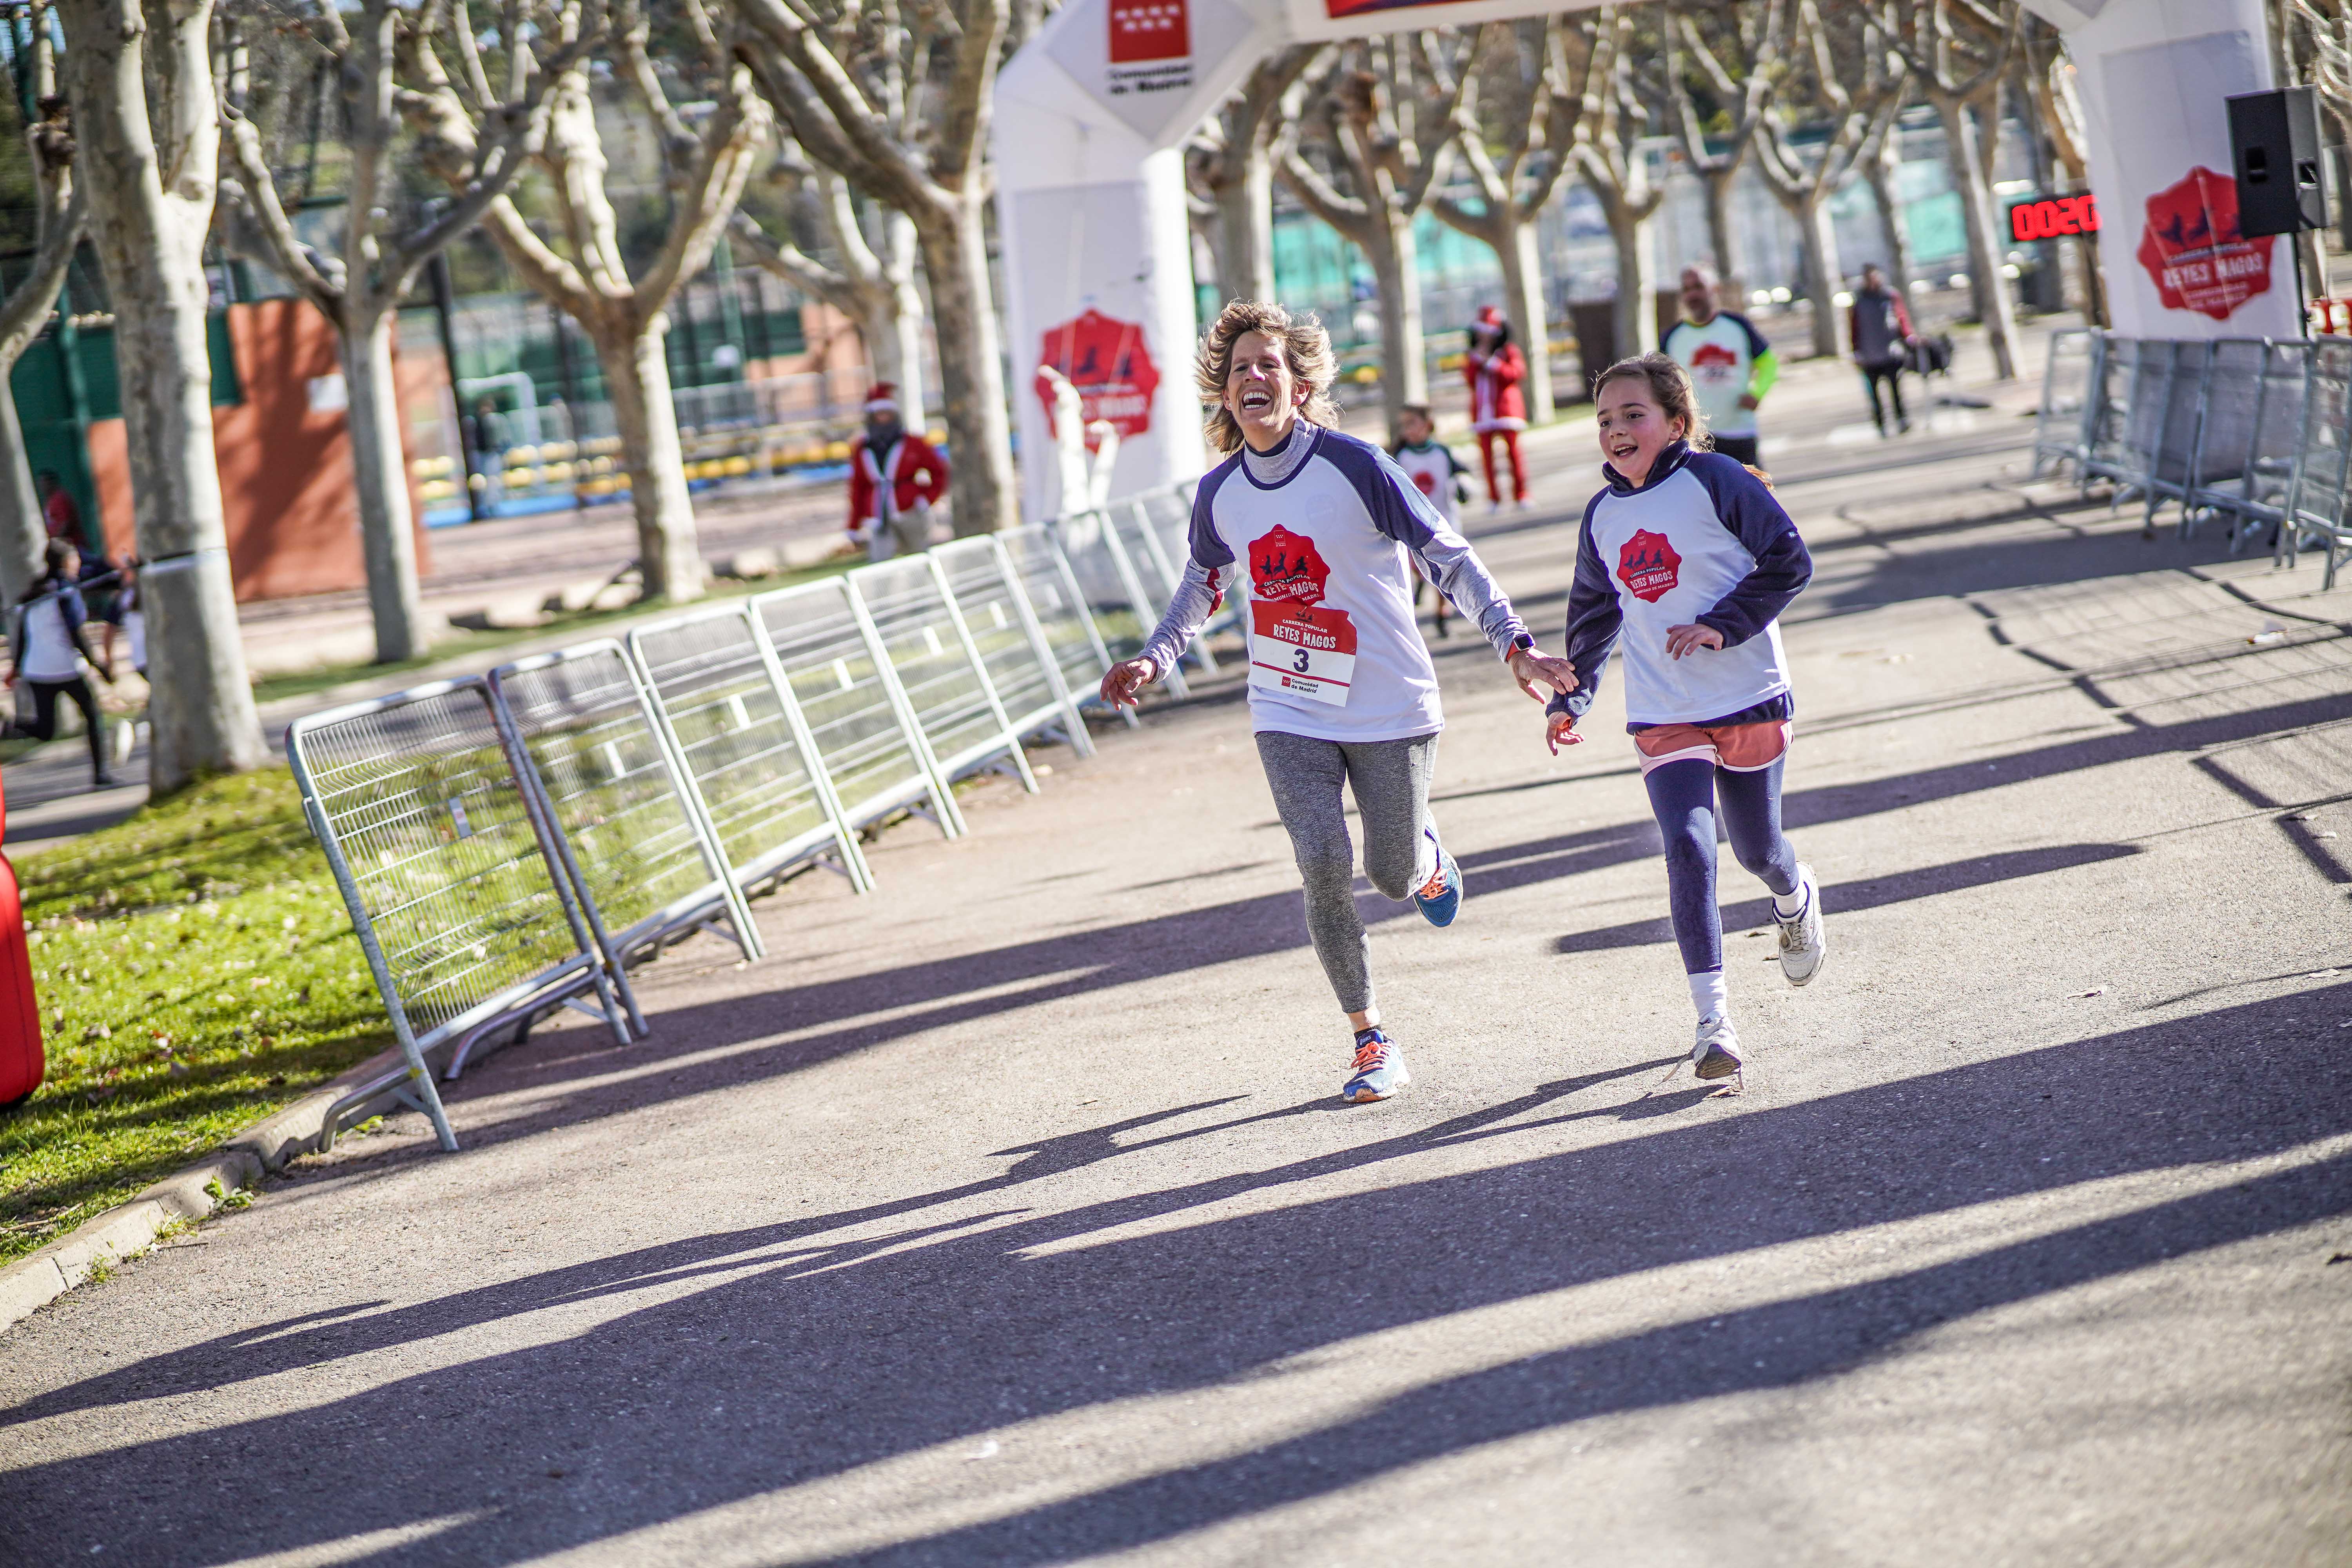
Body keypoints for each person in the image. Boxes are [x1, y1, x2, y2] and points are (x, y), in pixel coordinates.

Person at [1101, 301, 1574, 1104]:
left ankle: (1425, 857)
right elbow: (1203, 581)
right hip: (1289, 708)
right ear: (1224, 392)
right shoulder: (1220, 494)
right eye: (1241, 367)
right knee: (1323, 863)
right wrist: (1155, 655)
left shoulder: (1357, 466)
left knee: (1390, 877)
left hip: (1389, 703)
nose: (1255, 376)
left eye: (1270, 365)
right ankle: (1370, 1038)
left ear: (1301, 382)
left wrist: (1515, 642)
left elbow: (1445, 556)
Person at [1543, 352, 1825, 1083]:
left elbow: (1790, 562)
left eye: (1633, 415)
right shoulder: (1603, 516)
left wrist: (1721, 626)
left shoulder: (1718, 480)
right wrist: (1573, 695)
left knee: (1757, 852)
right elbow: (1595, 615)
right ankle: (1714, 1022)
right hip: (1664, 711)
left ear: (1675, 422)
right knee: (1690, 848)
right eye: (1605, 420)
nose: (1617, 431)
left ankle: (1794, 896)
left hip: (1747, 692)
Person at [6, 538, 115, 788]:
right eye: (76, 558)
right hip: (65, 667)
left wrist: (18, 668)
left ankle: (7, 728)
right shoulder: (67, 592)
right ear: (66, 562)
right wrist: (99, 667)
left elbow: (24, 635)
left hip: (37, 670)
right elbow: (77, 634)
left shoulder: (32, 594)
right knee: (93, 715)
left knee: (45, 730)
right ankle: (102, 775)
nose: (78, 563)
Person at [1661, 265, 1777, 468]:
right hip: (1695, 438)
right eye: (1687, 290)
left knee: (1752, 495)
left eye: (1699, 286)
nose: (1693, 294)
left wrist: (1757, 393)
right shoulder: (1673, 337)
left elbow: (1769, 363)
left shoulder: (1737, 326)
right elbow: (1660, 383)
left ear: (1715, 289)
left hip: (1738, 430)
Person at [1388, 403, 1474, 639]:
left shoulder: (1442, 453)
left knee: (1444, 571)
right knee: (1416, 566)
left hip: (1444, 520)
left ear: (1427, 425)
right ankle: (1421, 581)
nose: (1408, 429)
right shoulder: (1399, 456)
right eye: (1404, 425)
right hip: (1412, 523)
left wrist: (1463, 486)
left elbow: (1462, 473)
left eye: (1412, 423)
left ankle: (1442, 615)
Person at [844, 382, 948, 562]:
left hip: (910, 510)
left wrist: (926, 499)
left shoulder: (913, 443)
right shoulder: (863, 448)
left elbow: (940, 471)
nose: (883, 418)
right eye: (878, 415)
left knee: (920, 559)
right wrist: (854, 524)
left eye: (886, 414)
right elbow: (858, 487)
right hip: (879, 514)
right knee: (881, 563)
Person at [1463, 305, 1528, 509]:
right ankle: (1494, 498)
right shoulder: (1473, 355)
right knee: (1487, 459)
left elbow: (1515, 375)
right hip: (1483, 414)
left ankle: (1521, 495)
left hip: (1506, 410)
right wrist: (1476, 361)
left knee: (1514, 454)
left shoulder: (1508, 351)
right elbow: (1470, 380)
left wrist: (1492, 363)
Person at [1848, 263, 1918, 437]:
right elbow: (1854, 328)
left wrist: (1909, 337)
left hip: (1890, 351)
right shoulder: (1859, 300)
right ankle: (1881, 423)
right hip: (1868, 354)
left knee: (1896, 389)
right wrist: (1855, 351)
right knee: (1875, 393)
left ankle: (1902, 419)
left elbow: (1902, 319)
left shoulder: (1890, 296)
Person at [35, 471, 75, 542]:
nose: (41, 486)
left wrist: (56, 541)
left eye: (43, 482)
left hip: (71, 544)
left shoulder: (59, 498)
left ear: (51, 483)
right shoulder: (50, 500)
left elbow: (65, 523)